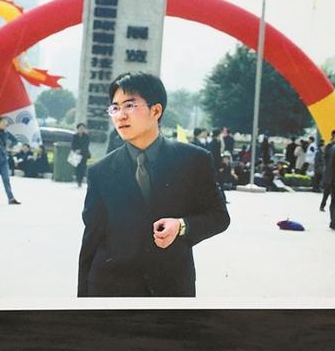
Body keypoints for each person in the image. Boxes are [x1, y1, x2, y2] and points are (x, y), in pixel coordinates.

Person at [78, 72, 230, 297]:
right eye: (115, 108)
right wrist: (82, 304)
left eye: (129, 105)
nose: (120, 115)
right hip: (111, 290)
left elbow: (219, 216)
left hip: (170, 289)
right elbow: (91, 240)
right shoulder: (101, 171)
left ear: (156, 111)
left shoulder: (194, 160)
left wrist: (181, 225)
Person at [319, 130, 335, 211]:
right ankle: (322, 205)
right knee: (327, 191)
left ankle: (334, 207)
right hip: (329, 171)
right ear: (334, 135)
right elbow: (325, 158)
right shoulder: (329, 146)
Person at [71, 123, 91, 187]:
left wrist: (81, 150)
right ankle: (77, 180)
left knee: (82, 168)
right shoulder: (75, 136)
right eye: (80, 128)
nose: (81, 130)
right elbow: (73, 145)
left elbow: (86, 145)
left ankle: (80, 181)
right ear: (78, 129)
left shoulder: (86, 136)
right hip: (76, 154)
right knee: (77, 168)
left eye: (83, 128)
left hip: (84, 154)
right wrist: (75, 150)